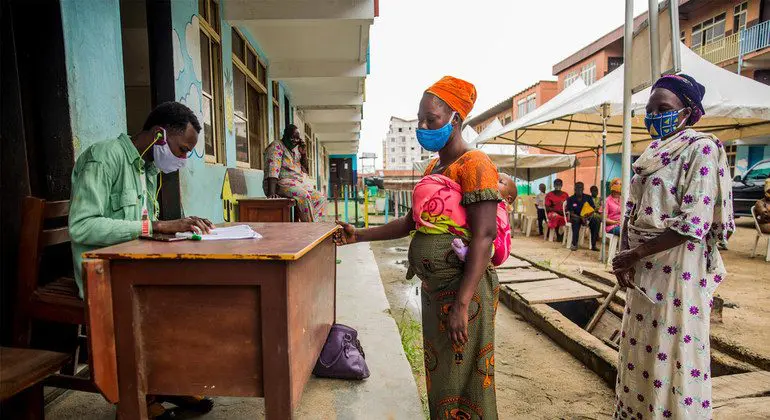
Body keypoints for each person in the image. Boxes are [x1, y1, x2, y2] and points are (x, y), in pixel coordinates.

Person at [335, 76, 500, 419]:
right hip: (435, 291)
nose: (423, 127)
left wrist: (461, 304)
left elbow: (484, 236)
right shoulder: (433, 168)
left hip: (463, 292)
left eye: (431, 120)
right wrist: (359, 235)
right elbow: (411, 222)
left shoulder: (476, 164)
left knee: (467, 379)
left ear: (456, 119)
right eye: (421, 120)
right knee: (442, 377)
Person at [68, 102, 216, 419]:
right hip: (102, 274)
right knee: (159, 304)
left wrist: (174, 231)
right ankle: (135, 399)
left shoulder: (146, 170)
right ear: (159, 135)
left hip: (131, 268)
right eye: (182, 149)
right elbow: (82, 226)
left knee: (189, 292)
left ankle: (165, 381)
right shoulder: (104, 157)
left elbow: (142, 225)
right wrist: (157, 226)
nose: (184, 158)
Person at [612, 74, 734, 420]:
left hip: (677, 268)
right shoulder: (651, 152)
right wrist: (624, 257)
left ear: (688, 111)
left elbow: (693, 221)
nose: (653, 116)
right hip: (642, 271)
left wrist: (634, 254)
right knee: (639, 348)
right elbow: (633, 211)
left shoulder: (702, 149)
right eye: (649, 110)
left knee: (672, 348)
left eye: (663, 108)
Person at [441, 172, 516, 266]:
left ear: (508, 199)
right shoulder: (496, 204)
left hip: (498, 249)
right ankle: (467, 252)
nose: (493, 182)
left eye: (500, 181)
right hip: (497, 249)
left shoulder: (499, 203)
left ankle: (468, 255)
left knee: (483, 242)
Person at [264, 124, 326, 221]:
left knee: (320, 198)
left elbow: (305, 170)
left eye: (297, 139)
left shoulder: (295, 150)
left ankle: (312, 224)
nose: (295, 141)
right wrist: (271, 192)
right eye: (293, 138)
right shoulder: (277, 146)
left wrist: (303, 154)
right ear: (285, 136)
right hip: (281, 184)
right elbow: (273, 167)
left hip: (298, 184)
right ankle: (310, 227)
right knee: (304, 196)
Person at [565, 182, 600, 251]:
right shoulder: (570, 199)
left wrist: (587, 217)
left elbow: (592, 209)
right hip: (576, 217)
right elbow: (571, 213)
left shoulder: (588, 197)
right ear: (574, 189)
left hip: (587, 217)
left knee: (596, 220)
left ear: (583, 188)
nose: (579, 189)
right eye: (577, 187)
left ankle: (593, 245)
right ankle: (574, 244)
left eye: (580, 187)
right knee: (575, 221)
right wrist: (581, 217)